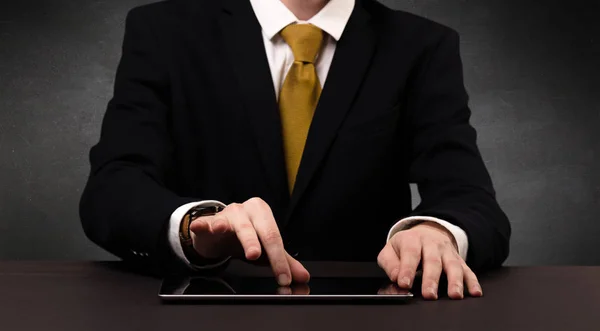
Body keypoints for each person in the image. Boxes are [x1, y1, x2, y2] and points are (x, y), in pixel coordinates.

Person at [80, 0, 511, 300]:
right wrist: (195, 227)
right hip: (205, 310)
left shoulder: (421, 46)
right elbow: (113, 188)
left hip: (366, 319)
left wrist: (437, 231)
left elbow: (470, 198)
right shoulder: (163, 32)